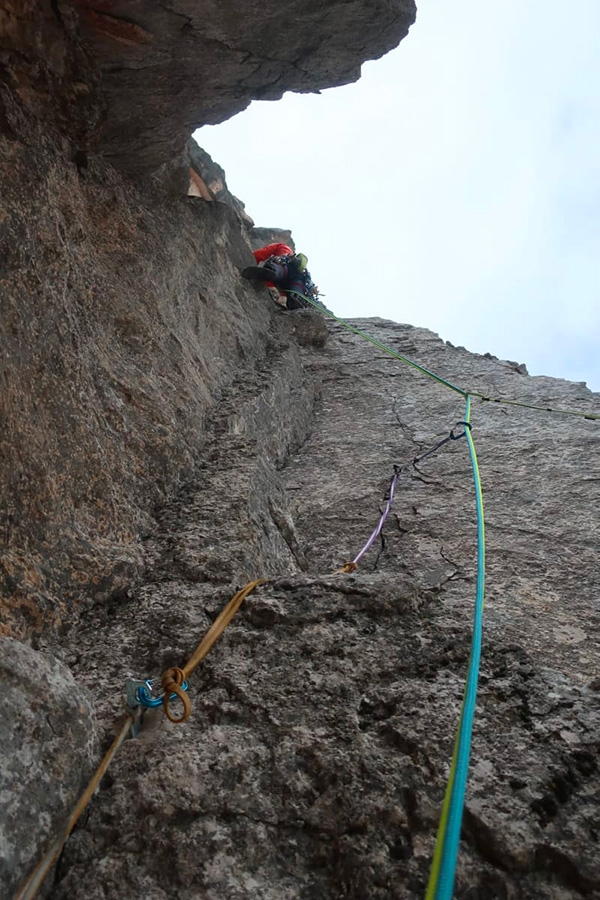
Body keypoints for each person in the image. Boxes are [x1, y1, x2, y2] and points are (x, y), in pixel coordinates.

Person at [242, 242, 320, 310]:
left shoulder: (284, 248)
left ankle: (272, 270)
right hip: (297, 280)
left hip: (284, 267)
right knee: (297, 287)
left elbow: (262, 253)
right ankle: (297, 298)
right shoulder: (303, 273)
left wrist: (251, 259)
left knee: (278, 270)